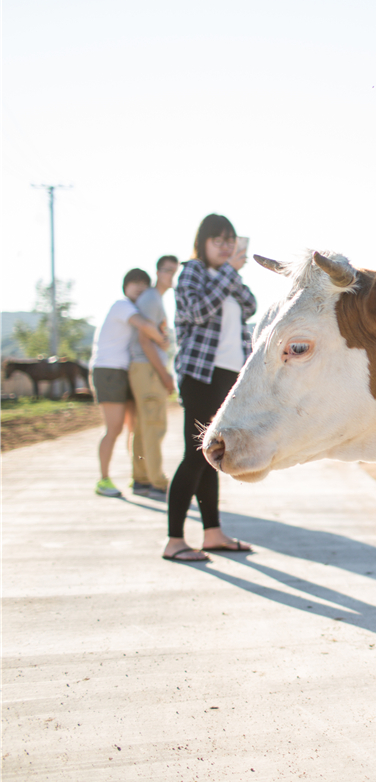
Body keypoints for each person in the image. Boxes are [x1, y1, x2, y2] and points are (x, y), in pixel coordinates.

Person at [164, 215, 257, 563]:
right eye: (218, 240)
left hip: (227, 375)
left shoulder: (228, 277)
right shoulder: (193, 272)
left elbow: (250, 305)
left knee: (211, 455)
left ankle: (212, 533)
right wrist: (230, 274)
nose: (226, 246)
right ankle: (174, 541)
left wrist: (232, 274)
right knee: (194, 455)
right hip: (200, 374)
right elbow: (197, 311)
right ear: (201, 243)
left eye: (230, 240)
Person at [89, 269, 168, 497]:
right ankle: (103, 479)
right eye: (134, 283)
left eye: (143, 283)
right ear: (125, 286)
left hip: (125, 371)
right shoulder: (122, 306)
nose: (139, 287)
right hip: (109, 370)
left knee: (135, 428)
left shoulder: (135, 307)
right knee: (113, 429)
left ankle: (139, 477)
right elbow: (145, 326)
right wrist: (163, 341)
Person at [127, 255, 179, 501]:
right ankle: (157, 481)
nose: (172, 276)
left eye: (175, 271)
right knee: (154, 425)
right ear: (158, 272)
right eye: (168, 271)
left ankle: (142, 479)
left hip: (144, 368)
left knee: (144, 426)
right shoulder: (151, 298)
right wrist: (165, 376)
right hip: (147, 368)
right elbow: (144, 340)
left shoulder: (154, 299)